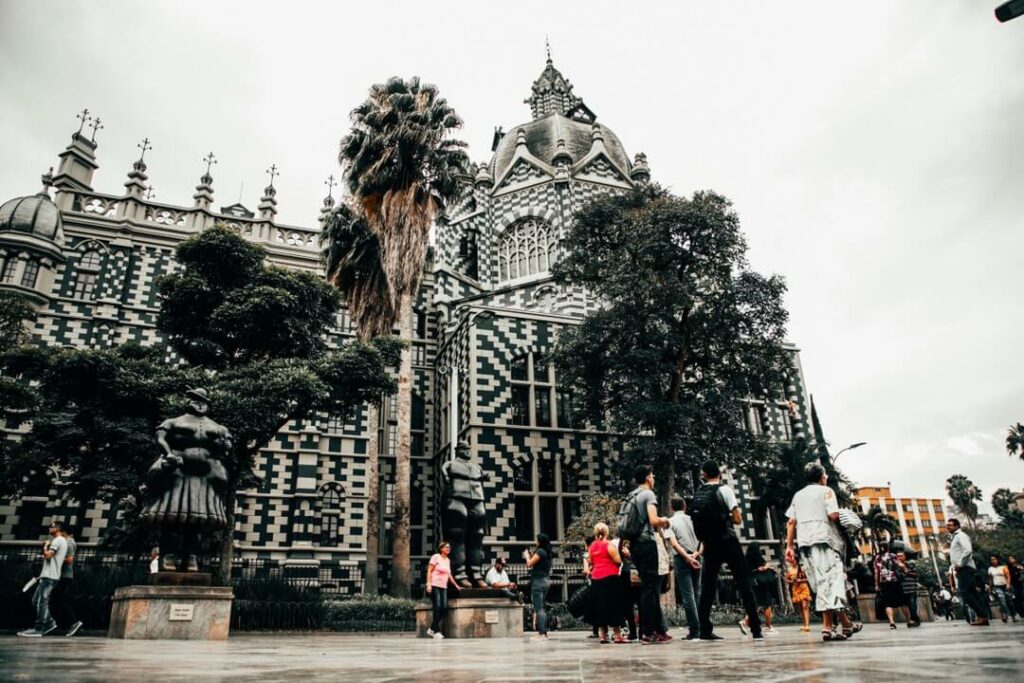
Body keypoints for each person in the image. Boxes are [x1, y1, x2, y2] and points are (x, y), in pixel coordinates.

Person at [785, 462, 860, 641]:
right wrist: (847, 519)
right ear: (821, 477)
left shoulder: (798, 495)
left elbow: (791, 522)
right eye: (825, 475)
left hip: (805, 543)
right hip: (825, 540)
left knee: (820, 584)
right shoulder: (827, 491)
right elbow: (834, 515)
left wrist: (789, 546)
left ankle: (844, 623)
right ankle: (828, 626)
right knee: (832, 581)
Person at [693, 460, 762, 641]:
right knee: (744, 583)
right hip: (728, 540)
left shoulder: (698, 493)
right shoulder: (725, 490)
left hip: (709, 544)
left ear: (703, 475)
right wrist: (726, 516)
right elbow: (738, 519)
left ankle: (704, 630)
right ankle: (756, 628)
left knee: (707, 587)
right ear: (719, 474)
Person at [625, 464, 673, 644]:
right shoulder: (648, 495)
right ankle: (648, 632)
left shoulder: (631, 495)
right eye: (652, 476)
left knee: (649, 588)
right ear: (647, 478)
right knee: (650, 590)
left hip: (636, 546)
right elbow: (653, 520)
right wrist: (665, 520)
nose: (653, 479)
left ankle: (658, 630)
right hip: (647, 544)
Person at [18, 520, 68, 637]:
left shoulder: (57, 540)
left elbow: (47, 555)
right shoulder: (62, 541)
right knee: (37, 601)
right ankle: (50, 622)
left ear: (58, 528)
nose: (49, 528)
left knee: (42, 601)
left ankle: (39, 628)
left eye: (52, 527)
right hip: (48, 575)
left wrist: (45, 545)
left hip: (49, 576)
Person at [666, 496, 702, 640]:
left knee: (688, 595)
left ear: (672, 508)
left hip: (682, 558)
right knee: (697, 592)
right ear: (684, 506)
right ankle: (702, 626)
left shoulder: (670, 522)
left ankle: (694, 630)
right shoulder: (694, 519)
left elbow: (674, 544)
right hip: (697, 555)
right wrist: (696, 554)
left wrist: (687, 558)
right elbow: (702, 539)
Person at [587, 523, 626, 643]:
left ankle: (603, 635)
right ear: (607, 532)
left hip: (596, 579)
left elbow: (590, 561)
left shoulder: (592, 546)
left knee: (600, 607)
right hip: (610, 578)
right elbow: (618, 561)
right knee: (613, 606)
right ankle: (617, 635)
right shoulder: (609, 545)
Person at [947, 518, 990, 625]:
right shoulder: (956, 537)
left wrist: (960, 564)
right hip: (963, 569)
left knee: (965, 593)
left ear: (957, 526)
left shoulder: (961, 536)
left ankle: (982, 615)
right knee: (972, 593)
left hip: (965, 568)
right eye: (947, 526)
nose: (948, 527)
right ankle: (983, 616)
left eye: (950, 525)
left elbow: (968, 550)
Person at [50, 527, 82, 637]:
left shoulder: (69, 543)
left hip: (64, 576)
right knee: (56, 599)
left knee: (59, 599)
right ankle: (61, 623)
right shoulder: (67, 542)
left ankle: (73, 622)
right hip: (60, 575)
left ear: (64, 532)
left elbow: (69, 560)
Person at [740, 543, 776, 635]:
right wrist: (768, 566)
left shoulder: (746, 558)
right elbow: (761, 568)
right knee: (767, 604)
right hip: (761, 583)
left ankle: (746, 622)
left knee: (757, 604)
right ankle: (767, 626)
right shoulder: (757, 557)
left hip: (753, 583)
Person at [525, 533, 554, 640]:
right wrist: (533, 555)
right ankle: (544, 632)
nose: (535, 541)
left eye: (536, 540)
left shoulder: (540, 551)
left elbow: (529, 564)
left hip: (538, 582)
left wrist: (527, 556)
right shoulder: (547, 552)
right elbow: (539, 562)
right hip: (546, 581)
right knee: (542, 607)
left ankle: (541, 634)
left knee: (539, 609)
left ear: (540, 541)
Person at [426, 541, 458, 639]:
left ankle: (432, 628)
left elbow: (449, 574)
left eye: (449, 547)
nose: (448, 549)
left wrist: (456, 585)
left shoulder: (447, 560)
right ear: (441, 549)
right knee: (438, 607)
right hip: (435, 585)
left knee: (444, 607)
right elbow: (429, 571)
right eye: (446, 547)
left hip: (443, 586)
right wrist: (428, 584)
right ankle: (436, 631)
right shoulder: (436, 557)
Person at [988, 555, 1017, 623]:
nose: (993, 561)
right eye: (991, 560)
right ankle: (1005, 615)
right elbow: (990, 579)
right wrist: (990, 588)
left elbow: (1008, 576)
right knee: (1002, 601)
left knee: (1009, 602)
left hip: (1005, 586)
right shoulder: (990, 569)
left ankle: (1013, 615)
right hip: (997, 586)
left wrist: (1008, 584)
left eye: (994, 559)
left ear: (997, 559)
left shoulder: (1003, 567)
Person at [786, 559, 812, 631]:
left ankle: (807, 625)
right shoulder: (789, 570)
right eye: (791, 561)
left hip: (803, 587)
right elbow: (787, 580)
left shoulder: (802, 569)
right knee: (800, 607)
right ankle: (804, 624)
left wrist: (800, 580)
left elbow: (808, 578)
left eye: (793, 560)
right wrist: (791, 581)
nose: (792, 562)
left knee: (805, 606)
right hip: (795, 589)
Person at [896, 552, 921, 627]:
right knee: (905, 605)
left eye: (901, 556)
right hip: (901, 589)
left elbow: (916, 574)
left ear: (905, 557)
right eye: (898, 556)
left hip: (911, 588)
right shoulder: (895, 566)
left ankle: (915, 619)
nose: (899, 558)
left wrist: (905, 570)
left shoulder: (910, 564)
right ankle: (910, 621)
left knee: (912, 605)